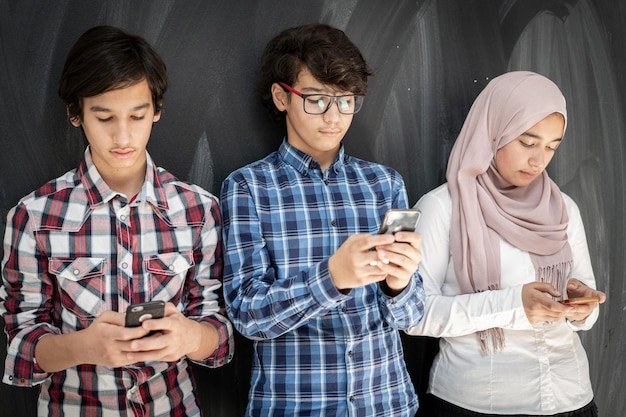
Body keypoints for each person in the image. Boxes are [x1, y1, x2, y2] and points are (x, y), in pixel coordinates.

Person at [0, 25, 234, 416]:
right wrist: (82, 346)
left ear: (156, 111)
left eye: (137, 116)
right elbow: (20, 347)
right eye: (104, 117)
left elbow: (221, 336)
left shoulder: (199, 210)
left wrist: (191, 337)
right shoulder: (33, 216)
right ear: (76, 114)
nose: (123, 135)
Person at [220, 23, 426, 416]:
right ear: (282, 96)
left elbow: (413, 316)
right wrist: (331, 279)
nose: (334, 117)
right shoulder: (248, 187)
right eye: (316, 100)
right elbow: (247, 314)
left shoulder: (385, 184)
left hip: (388, 404)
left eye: (346, 100)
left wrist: (399, 285)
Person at [406, 71, 605, 416]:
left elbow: (586, 304)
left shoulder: (563, 208)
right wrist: (515, 305)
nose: (538, 160)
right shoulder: (442, 207)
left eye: (551, 147)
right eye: (528, 142)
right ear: (493, 131)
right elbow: (416, 315)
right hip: (479, 402)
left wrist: (583, 306)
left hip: (571, 397)